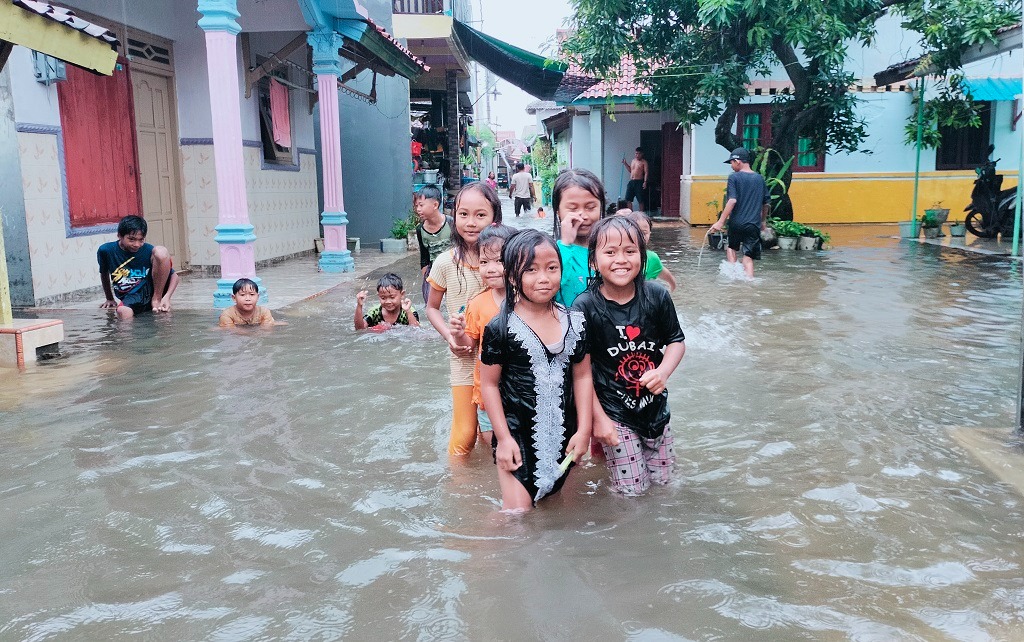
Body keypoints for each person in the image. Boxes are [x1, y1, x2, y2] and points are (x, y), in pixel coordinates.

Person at [480, 229, 593, 511]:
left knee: (558, 512)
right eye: (530, 270)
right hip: (515, 434)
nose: (543, 278)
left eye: (551, 268)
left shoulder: (576, 323)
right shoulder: (500, 328)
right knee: (516, 516)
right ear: (512, 276)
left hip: (565, 433)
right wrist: (503, 439)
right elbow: (489, 385)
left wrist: (585, 430)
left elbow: (583, 376)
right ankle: (483, 553)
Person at [572, 216, 686, 495]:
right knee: (631, 491)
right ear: (593, 261)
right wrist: (598, 420)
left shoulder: (657, 296)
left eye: (630, 251)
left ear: (643, 256)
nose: (620, 259)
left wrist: (664, 372)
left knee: (665, 484)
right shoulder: (584, 306)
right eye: (610, 252)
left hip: (655, 409)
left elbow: (676, 341)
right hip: (615, 413)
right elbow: (582, 373)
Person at [426, 182, 503, 455]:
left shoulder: (506, 260)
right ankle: (459, 491)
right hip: (462, 355)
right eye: (463, 214)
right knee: (464, 436)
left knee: (498, 430)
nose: (471, 223)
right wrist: (449, 335)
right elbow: (432, 307)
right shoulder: (445, 262)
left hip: (499, 358)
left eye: (480, 215)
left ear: (495, 217)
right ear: (453, 215)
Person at [449, 224, 517, 449]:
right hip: (488, 398)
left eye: (499, 261)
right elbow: (470, 344)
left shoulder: (529, 300)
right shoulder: (477, 303)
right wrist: (458, 335)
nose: (491, 269)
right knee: (497, 453)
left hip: (521, 394)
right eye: (484, 262)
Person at [97, 215, 179, 320]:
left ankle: (156, 299)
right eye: (131, 239)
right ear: (119, 236)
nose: (137, 244)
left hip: (151, 290)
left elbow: (174, 277)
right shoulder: (106, 251)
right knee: (123, 312)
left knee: (161, 251)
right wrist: (109, 298)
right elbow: (104, 273)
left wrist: (166, 297)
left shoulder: (149, 251)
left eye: (141, 240)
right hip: (131, 296)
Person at [710, 147, 770, 278]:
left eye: (731, 163)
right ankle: (749, 283)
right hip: (754, 225)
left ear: (737, 161)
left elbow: (732, 201)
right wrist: (763, 222)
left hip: (736, 223)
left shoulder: (734, 178)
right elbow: (766, 204)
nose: (731, 166)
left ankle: (734, 278)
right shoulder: (760, 179)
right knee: (748, 257)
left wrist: (720, 222)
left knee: (731, 249)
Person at [553, 168, 606, 307]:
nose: (582, 215)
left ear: (601, 208)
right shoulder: (550, 253)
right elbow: (550, 287)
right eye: (572, 208)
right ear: (558, 211)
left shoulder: (613, 249)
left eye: (590, 207)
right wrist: (565, 244)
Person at [618, 209, 677, 292]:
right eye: (636, 232)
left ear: (650, 233)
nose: (640, 236)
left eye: (644, 233)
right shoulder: (619, 257)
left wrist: (672, 286)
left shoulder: (651, 258)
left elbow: (665, 274)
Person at [414, 185, 452, 303]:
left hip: (453, 268)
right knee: (431, 304)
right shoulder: (420, 229)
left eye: (421, 205)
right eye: (416, 206)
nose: (418, 209)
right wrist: (426, 280)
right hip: (434, 270)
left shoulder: (452, 223)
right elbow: (424, 257)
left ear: (435, 205)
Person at [354, 273, 420, 330]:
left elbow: (416, 330)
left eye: (392, 297)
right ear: (378, 296)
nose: (388, 301)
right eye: (383, 298)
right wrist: (359, 306)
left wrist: (408, 311)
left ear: (402, 294)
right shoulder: (375, 312)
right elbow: (360, 329)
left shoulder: (408, 310)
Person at [622, 148, 649, 212]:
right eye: (636, 153)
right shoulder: (633, 161)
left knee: (640, 199)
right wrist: (625, 163)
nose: (637, 155)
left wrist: (645, 182)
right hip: (631, 182)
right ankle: (631, 214)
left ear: (642, 154)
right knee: (628, 199)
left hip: (639, 182)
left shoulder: (644, 162)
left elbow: (646, 172)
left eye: (639, 153)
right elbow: (630, 171)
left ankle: (641, 214)